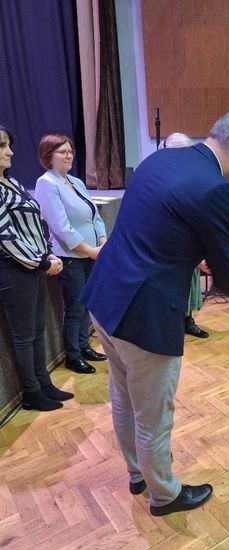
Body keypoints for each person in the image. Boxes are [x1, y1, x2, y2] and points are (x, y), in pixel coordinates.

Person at [81, 112, 229, 516]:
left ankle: (137, 473)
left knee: (122, 396)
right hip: (144, 316)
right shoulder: (217, 189)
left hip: (105, 296)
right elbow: (227, 274)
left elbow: (160, 228)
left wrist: (194, 255)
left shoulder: (161, 158)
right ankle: (164, 494)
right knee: (153, 415)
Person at [0, 125, 73, 411]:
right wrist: (42, 262)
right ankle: (31, 392)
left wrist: (48, 255)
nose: (10, 152)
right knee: (23, 336)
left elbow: (34, 224)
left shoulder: (11, 182)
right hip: (13, 270)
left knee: (37, 329)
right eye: (2, 146)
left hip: (32, 267)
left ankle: (43, 382)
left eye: (9, 145)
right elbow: (6, 237)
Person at [35, 134, 108, 375]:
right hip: (70, 256)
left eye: (70, 151)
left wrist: (102, 241)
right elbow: (61, 227)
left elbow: (94, 215)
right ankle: (73, 355)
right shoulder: (47, 183)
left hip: (92, 254)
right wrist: (90, 250)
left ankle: (84, 346)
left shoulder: (75, 181)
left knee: (87, 304)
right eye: (63, 152)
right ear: (49, 156)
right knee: (75, 308)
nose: (69, 156)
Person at [160, 132, 209, 339]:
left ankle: (188, 319)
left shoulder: (193, 176)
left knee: (191, 282)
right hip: (169, 242)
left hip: (190, 239)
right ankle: (170, 324)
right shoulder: (160, 177)